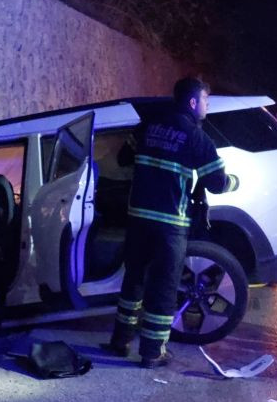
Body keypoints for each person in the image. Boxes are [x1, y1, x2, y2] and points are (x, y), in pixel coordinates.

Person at [102, 77, 239, 367]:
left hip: (138, 218)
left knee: (134, 280)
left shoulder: (149, 125)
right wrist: (232, 183)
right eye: (205, 101)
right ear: (193, 102)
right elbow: (216, 183)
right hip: (169, 224)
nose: (207, 106)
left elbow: (124, 157)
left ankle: (121, 341)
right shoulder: (197, 137)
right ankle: (153, 352)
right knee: (164, 286)